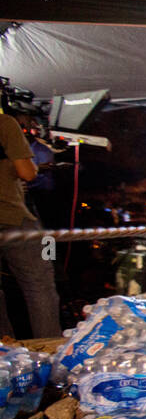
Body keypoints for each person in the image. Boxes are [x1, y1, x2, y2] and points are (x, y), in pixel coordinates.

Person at [0, 108, 60, 338]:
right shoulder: (5, 123)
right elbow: (27, 173)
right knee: (40, 287)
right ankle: (48, 353)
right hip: (13, 218)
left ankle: (7, 360)